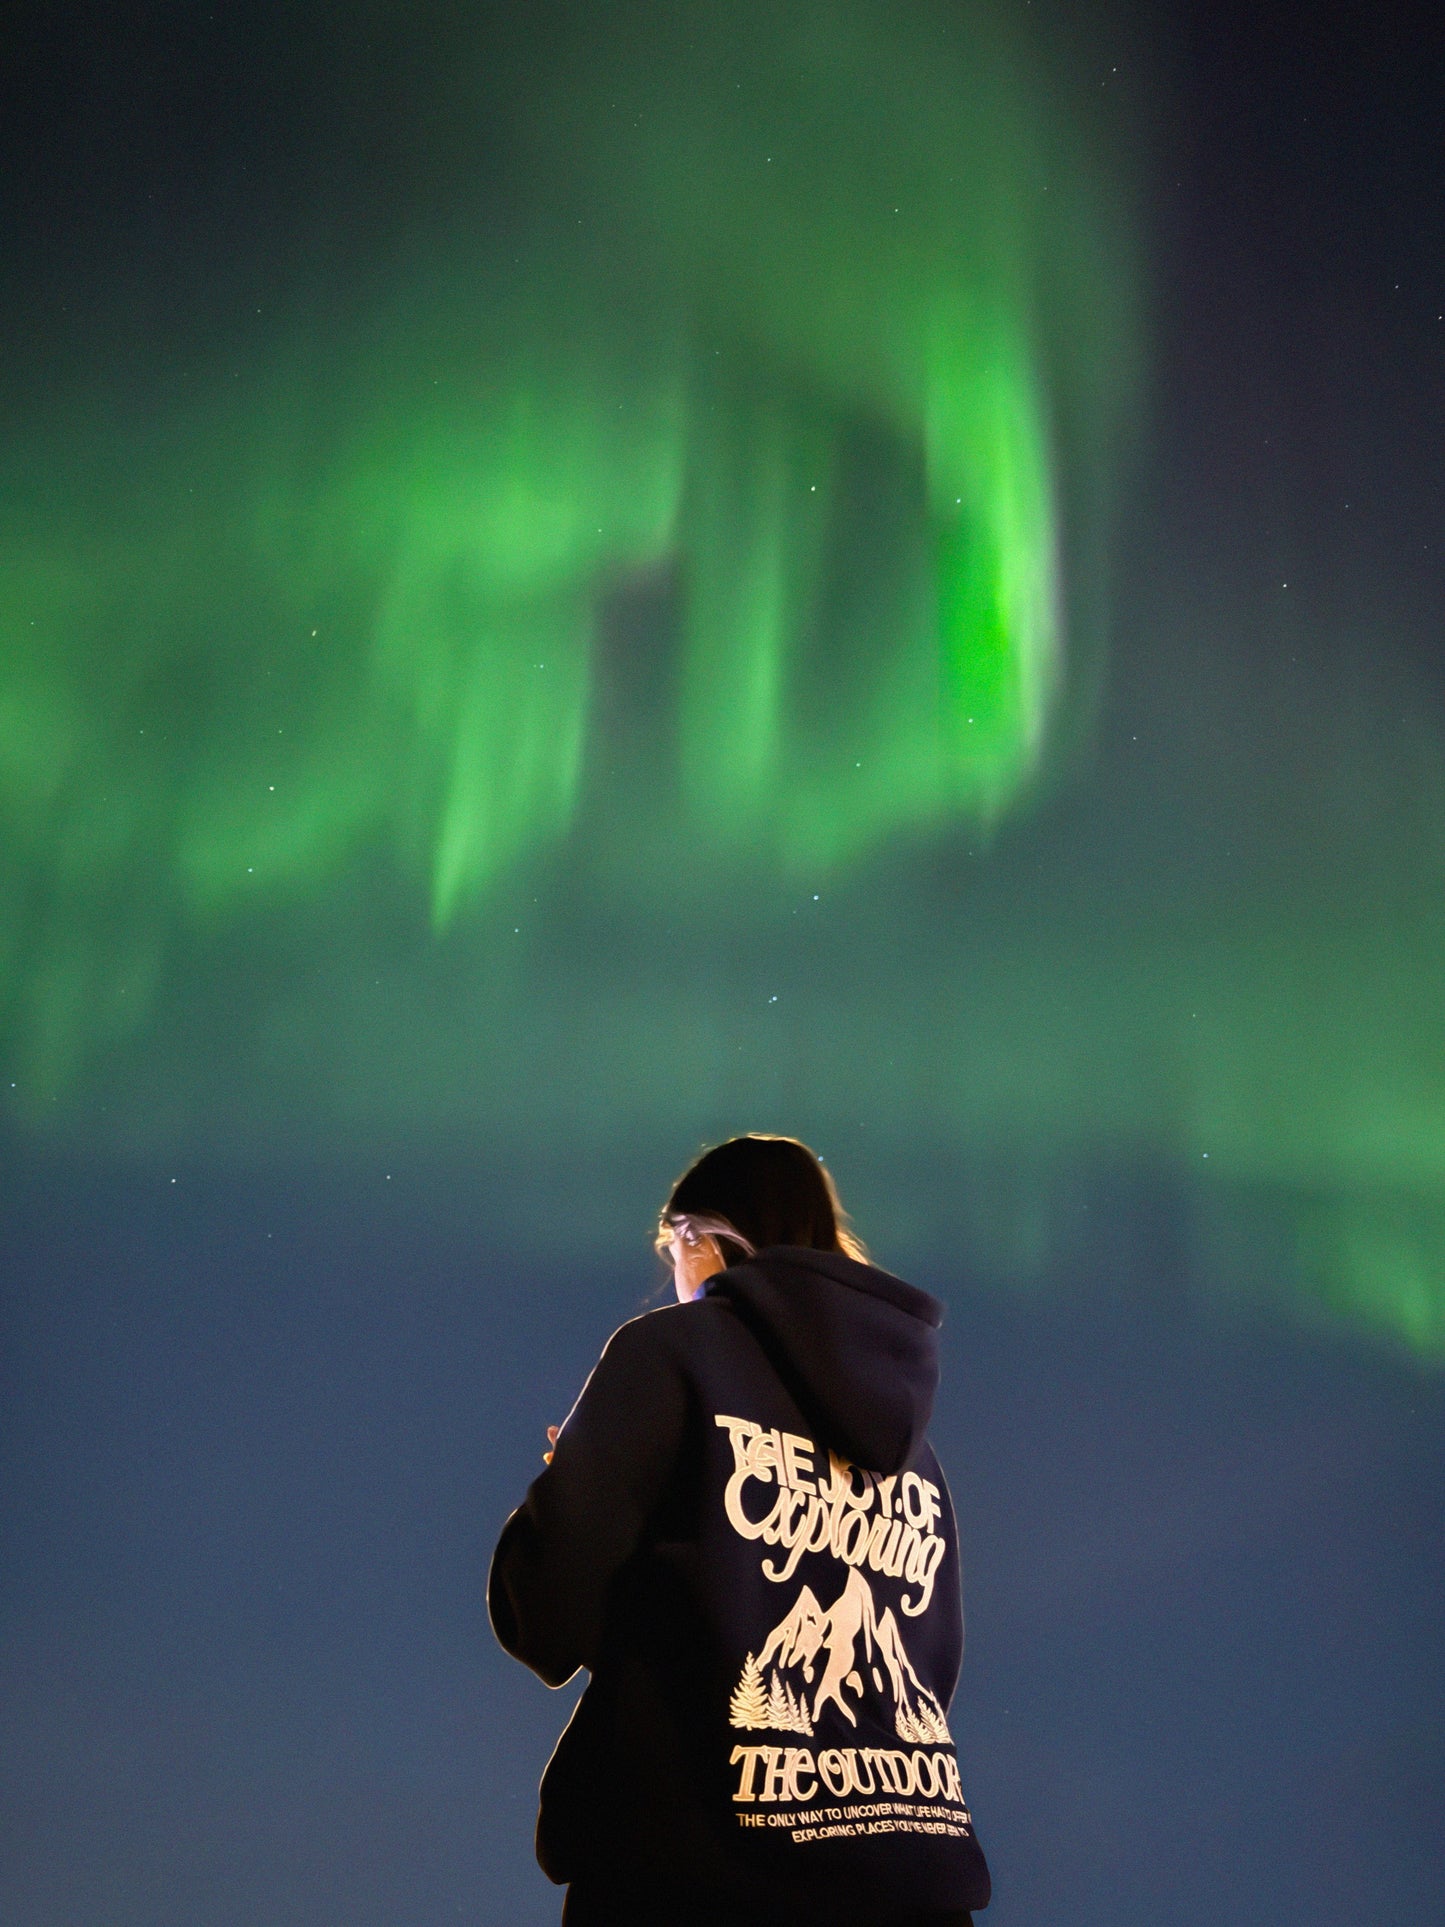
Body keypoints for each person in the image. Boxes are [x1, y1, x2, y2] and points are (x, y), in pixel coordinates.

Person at [488, 1134, 991, 1926]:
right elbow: (928, 1667)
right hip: (906, 1881)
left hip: (696, 1875)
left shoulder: (668, 1355)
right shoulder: (910, 1447)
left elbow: (546, 1612)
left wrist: (578, 1478)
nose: (673, 1271)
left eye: (673, 1245)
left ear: (703, 1235)